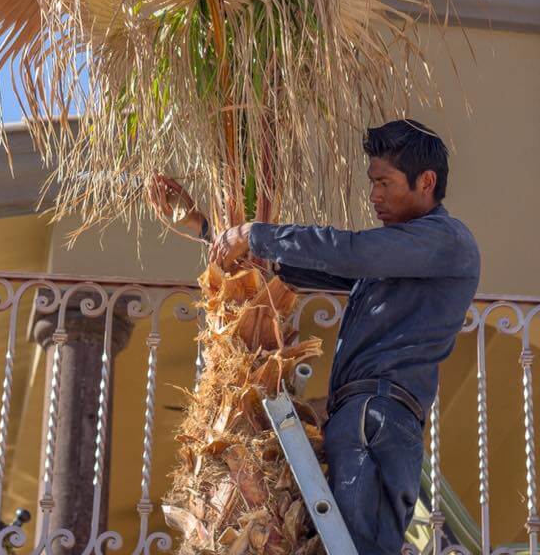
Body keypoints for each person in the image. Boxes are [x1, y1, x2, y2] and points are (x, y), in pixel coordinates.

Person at [149, 119, 480, 555]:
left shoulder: (447, 240)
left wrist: (255, 233)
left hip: (375, 416)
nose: (374, 195)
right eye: (372, 182)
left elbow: (351, 252)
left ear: (427, 181)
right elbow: (306, 269)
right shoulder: (403, 258)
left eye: (385, 182)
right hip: (362, 416)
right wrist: (210, 230)